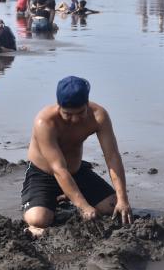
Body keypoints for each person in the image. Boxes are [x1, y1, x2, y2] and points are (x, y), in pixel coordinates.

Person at [22, 76, 132, 237]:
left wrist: (123, 198)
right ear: (59, 106)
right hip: (44, 173)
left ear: (87, 104)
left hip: (76, 171)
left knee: (113, 207)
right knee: (39, 220)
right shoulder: (44, 122)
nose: (74, 119)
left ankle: (67, 195)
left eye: (80, 113)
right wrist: (83, 206)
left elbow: (112, 157)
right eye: (68, 114)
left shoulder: (98, 116)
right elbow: (59, 169)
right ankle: (52, 202)